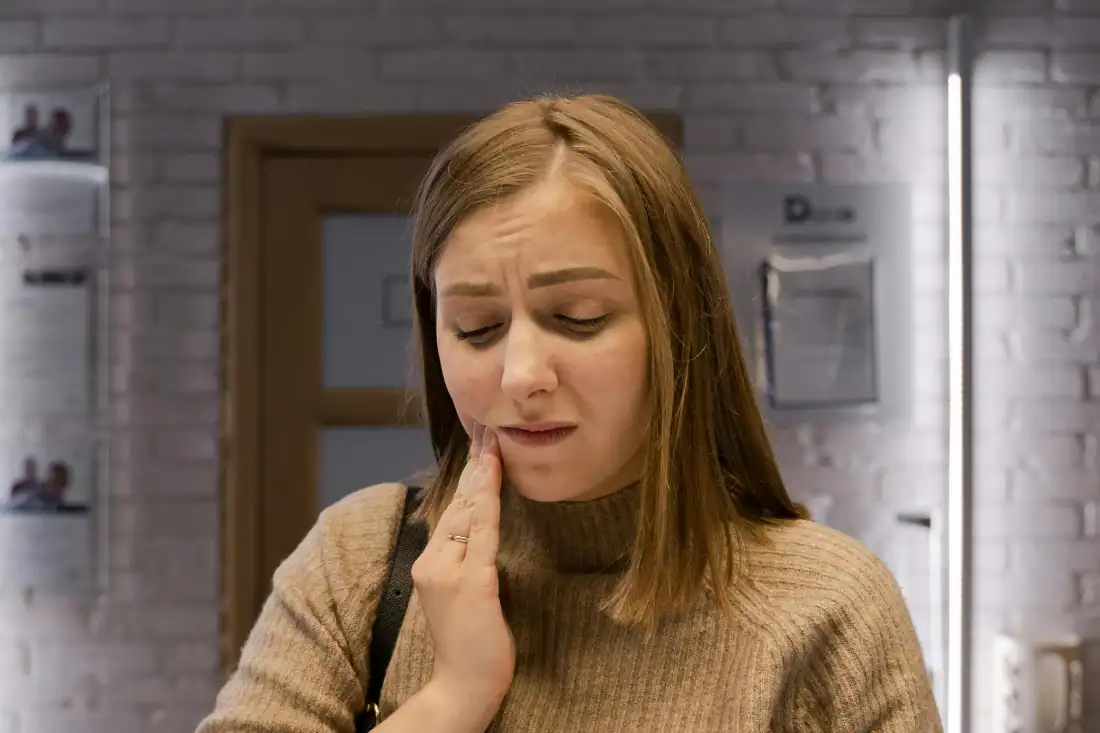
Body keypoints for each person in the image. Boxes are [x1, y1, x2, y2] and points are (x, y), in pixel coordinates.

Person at [198, 94, 941, 732]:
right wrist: (454, 697)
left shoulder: (826, 607)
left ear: (678, 327)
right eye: (477, 327)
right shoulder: (357, 562)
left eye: (579, 316)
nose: (521, 375)